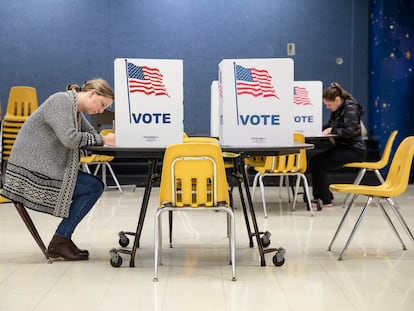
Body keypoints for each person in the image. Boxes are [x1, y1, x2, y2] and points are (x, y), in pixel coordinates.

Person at [1, 78, 115, 260]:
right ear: (92, 93)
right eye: (102, 105)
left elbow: (91, 133)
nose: (101, 111)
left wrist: (100, 137)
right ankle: (60, 241)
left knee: (93, 186)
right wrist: (105, 140)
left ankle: (62, 239)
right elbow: (70, 139)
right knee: (93, 187)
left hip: (43, 169)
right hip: (29, 175)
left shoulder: (75, 109)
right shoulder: (61, 101)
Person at [309, 82, 366, 209]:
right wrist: (315, 130)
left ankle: (324, 200)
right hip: (344, 147)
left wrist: (332, 131)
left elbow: (350, 131)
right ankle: (323, 197)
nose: (328, 107)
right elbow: (329, 125)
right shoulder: (338, 109)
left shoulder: (350, 109)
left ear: (337, 100)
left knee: (319, 164)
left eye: (329, 104)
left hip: (354, 150)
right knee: (315, 162)